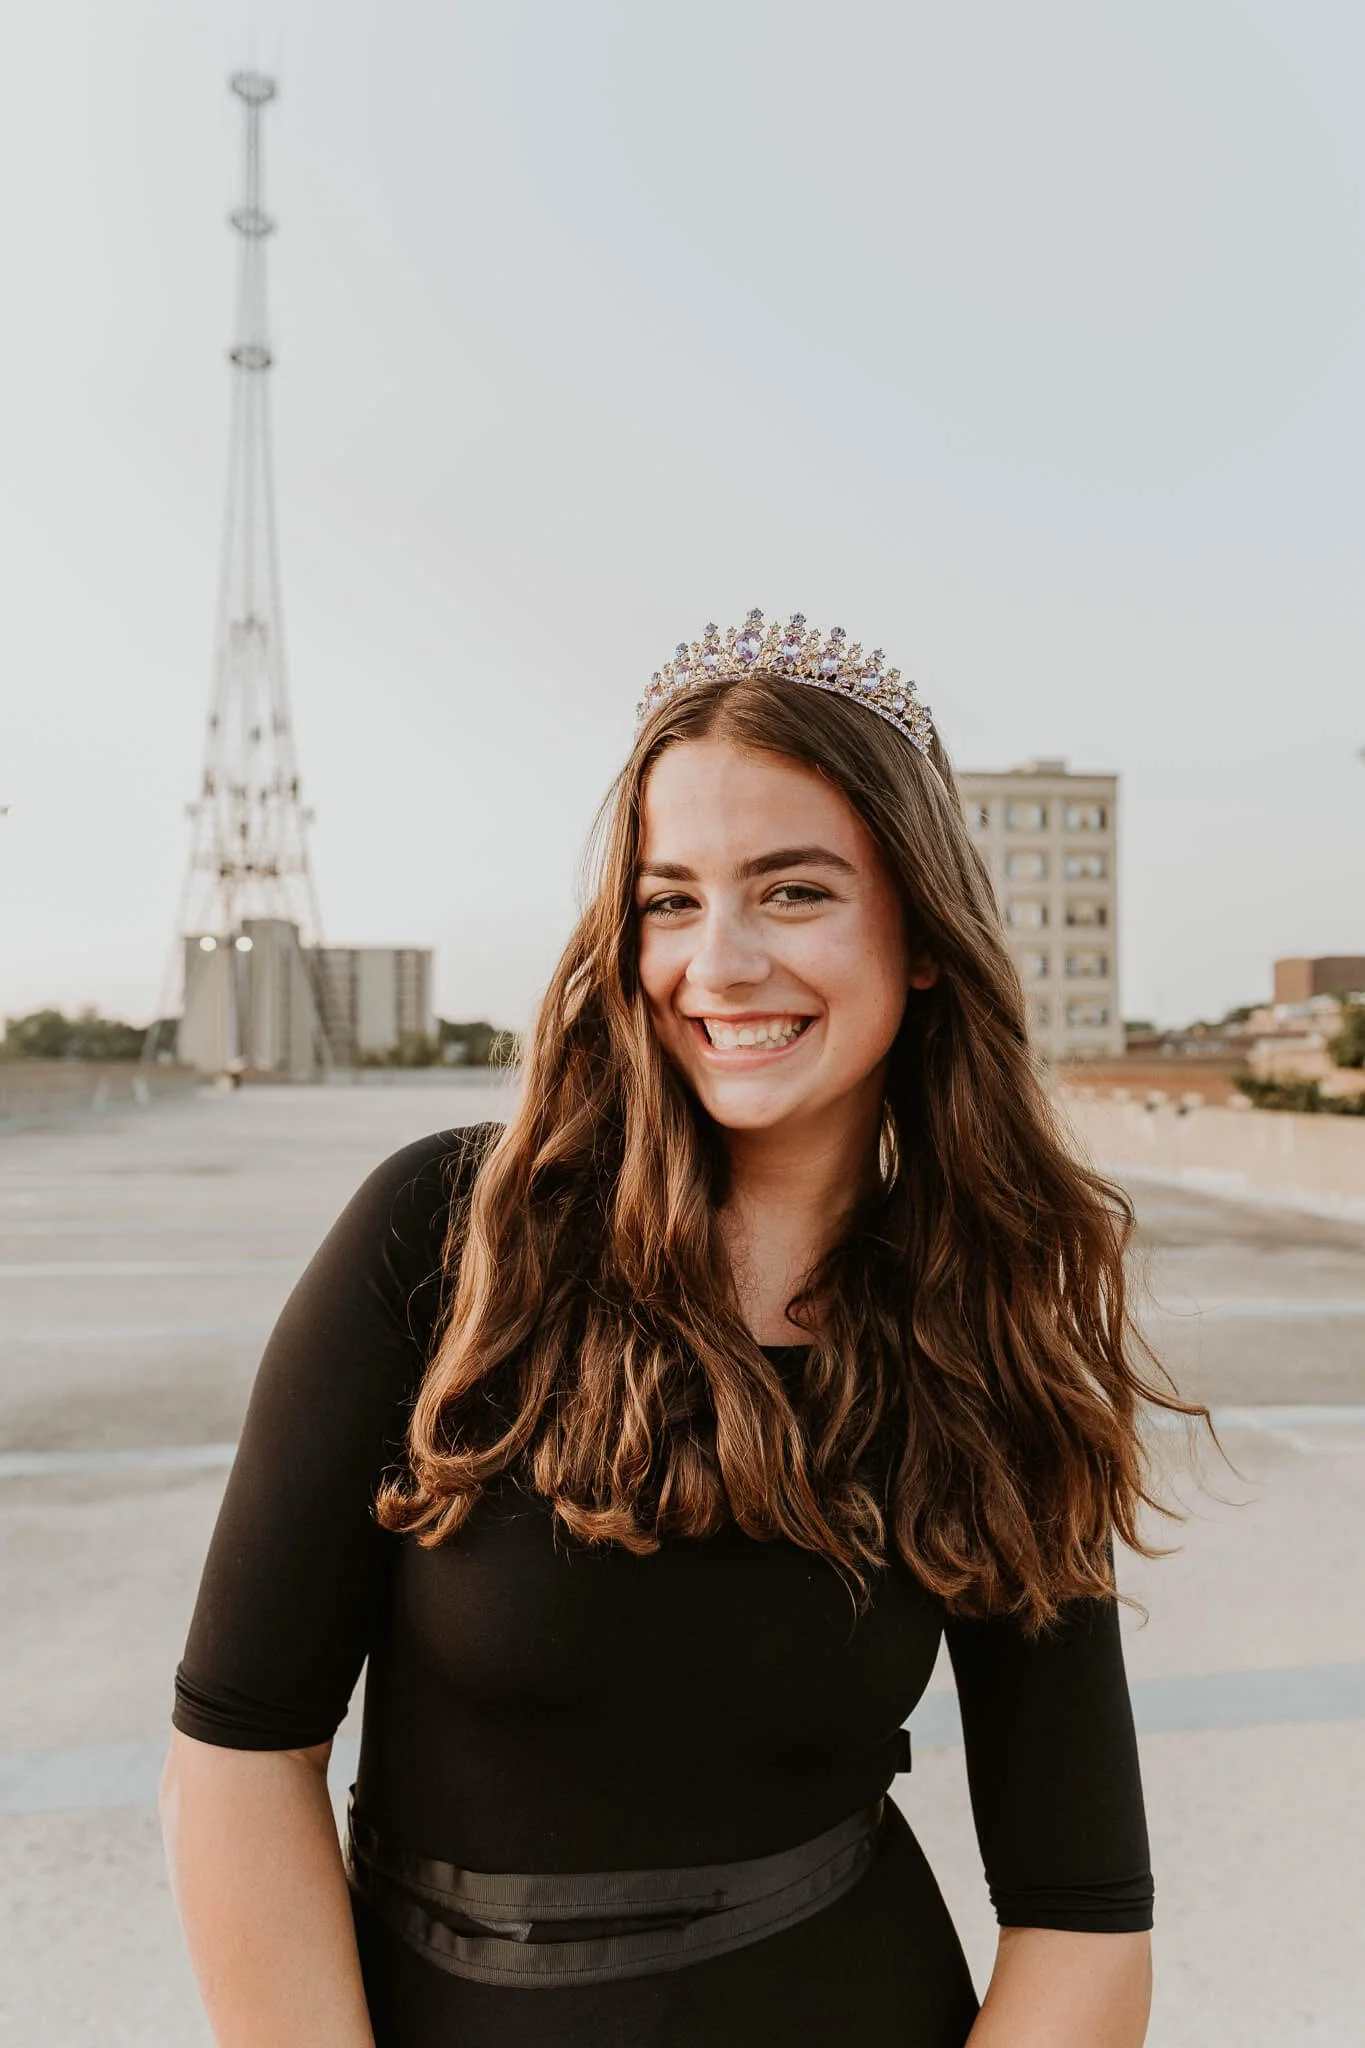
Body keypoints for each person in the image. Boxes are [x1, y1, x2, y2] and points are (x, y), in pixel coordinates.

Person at [162, 609, 1190, 2047]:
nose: (720, 962)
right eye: (669, 900)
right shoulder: (446, 1237)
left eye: (795, 892)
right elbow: (240, 1749)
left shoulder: (988, 1329)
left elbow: (1082, 1910)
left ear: (927, 941)